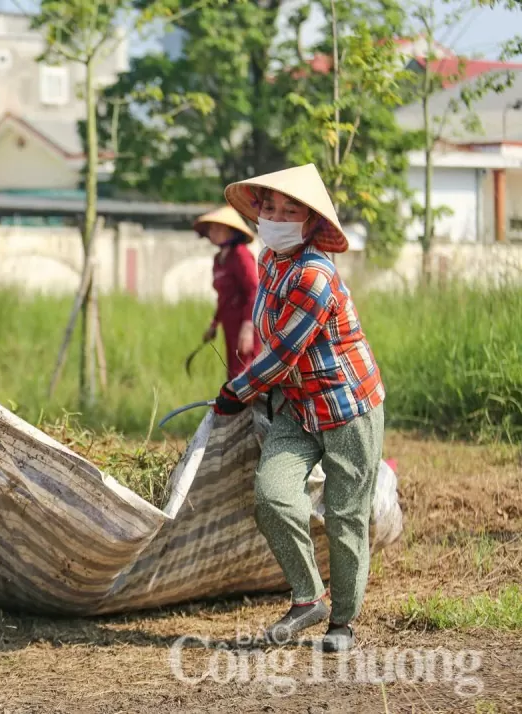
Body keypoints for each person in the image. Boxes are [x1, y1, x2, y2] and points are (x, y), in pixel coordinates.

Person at [211, 164, 386, 654]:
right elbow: (270, 340)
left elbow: (285, 351)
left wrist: (238, 390)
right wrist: (257, 388)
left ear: (309, 224)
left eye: (292, 211)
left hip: (347, 405)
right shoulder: (268, 261)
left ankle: (343, 623)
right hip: (297, 405)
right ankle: (309, 597)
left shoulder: (315, 274)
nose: (278, 217)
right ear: (259, 212)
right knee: (273, 494)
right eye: (271, 208)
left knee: (347, 514)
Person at [194, 206, 259, 380]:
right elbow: (223, 298)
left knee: (246, 374)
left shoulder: (241, 255)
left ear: (230, 231)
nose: (211, 232)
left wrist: (247, 327)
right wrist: (214, 324)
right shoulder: (219, 259)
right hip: (230, 327)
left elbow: (254, 290)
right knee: (233, 373)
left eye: (217, 228)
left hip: (245, 326)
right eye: (210, 228)